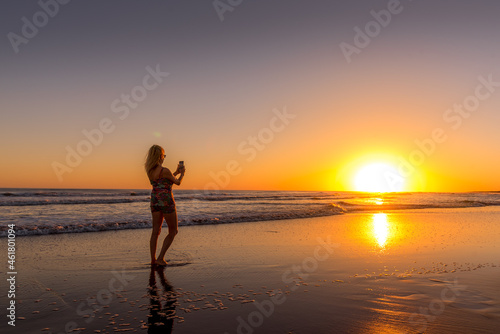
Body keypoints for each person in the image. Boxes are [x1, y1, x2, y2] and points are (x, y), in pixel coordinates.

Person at [145, 145, 185, 266]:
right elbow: (176, 182)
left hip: (155, 201)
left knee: (155, 231)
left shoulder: (150, 171)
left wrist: (176, 172)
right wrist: (182, 173)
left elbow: (165, 180)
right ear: (160, 156)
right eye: (164, 155)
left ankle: (153, 260)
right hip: (166, 201)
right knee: (173, 231)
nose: (164, 158)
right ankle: (160, 258)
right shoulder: (165, 170)